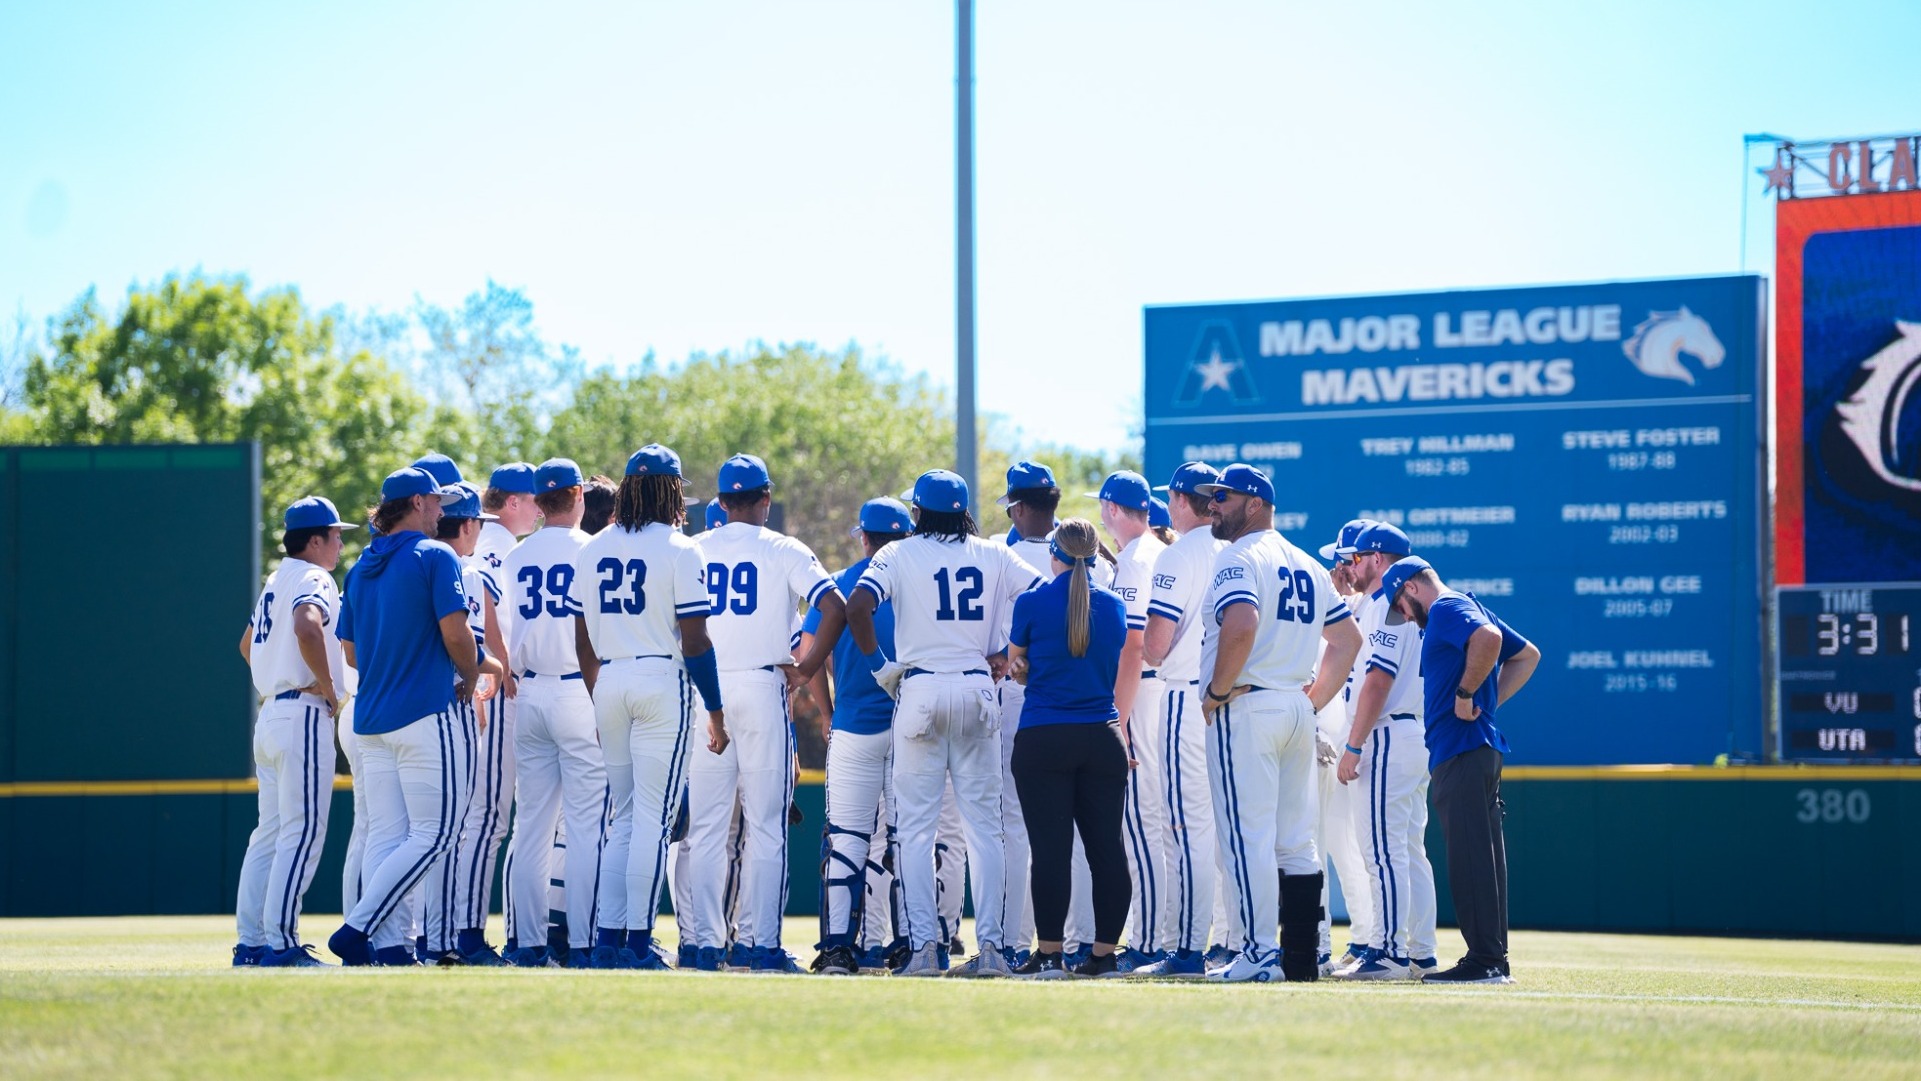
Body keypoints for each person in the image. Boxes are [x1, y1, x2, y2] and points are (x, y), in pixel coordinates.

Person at [846, 469, 1041, 978]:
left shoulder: (897, 553)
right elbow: (1045, 596)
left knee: (914, 832)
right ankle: (993, 949)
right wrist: (1009, 652)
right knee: (985, 832)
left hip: (921, 688)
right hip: (978, 687)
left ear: (917, 512)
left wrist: (881, 667)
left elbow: (858, 606)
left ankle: (925, 950)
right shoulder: (994, 553)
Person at [1196, 463, 1361, 983]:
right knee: (1296, 841)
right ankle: (1301, 959)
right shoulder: (1307, 563)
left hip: (1247, 706)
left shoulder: (1239, 556)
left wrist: (1217, 690)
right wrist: (1312, 702)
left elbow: (1241, 623)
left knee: (1247, 837)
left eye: (1223, 497)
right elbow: (1347, 641)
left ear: (1255, 504)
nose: (1213, 505)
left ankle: (1261, 954)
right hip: (1294, 707)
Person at [686, 453, 846, 973]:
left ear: (720, 501)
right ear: (766, 499)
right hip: (761, 684)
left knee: (708, 828)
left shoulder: (694, 547)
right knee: (766, 827)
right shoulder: (783, 548)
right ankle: (761, 945)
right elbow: (835, 605)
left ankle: (704, 944)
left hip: (706, 690)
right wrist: (809, 668)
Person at [573, 442, 730, 970]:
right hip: (661, 677)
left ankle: (607, 940)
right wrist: (715, 710)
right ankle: (637, 944)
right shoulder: (682, 549)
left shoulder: (592, 547)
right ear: (672, 491)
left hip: (609, 679)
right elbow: (696, 642)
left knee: (622, 817)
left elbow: (582, 639)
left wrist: (599, 696)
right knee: (652, 820)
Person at [328, 467, 476, 967]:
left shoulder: (360, 566)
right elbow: (456, 633)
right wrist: (470, 673)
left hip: (371, 718)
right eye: (436, 502)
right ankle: (358, 929)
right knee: (437, 833)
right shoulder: (435, 555)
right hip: (423, 714)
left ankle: (390, 947)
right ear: (416, 502)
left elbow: (351, 653)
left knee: (387, 836)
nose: (441, 511)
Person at [1380, 556, 1540, 984]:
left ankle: (1484, 960)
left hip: (1462, 750)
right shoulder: (1467, 606)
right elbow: (1526, 657)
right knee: (1483, 859)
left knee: (1469, 858)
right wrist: (1484, 703)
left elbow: (1490, 640)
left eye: (1401, 606)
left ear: (1411, 587)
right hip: (1476, 748)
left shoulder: (1447, 608)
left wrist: (1469, 694)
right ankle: (1493, 959)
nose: (1406, 618)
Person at [1006, 519, 1133, 979]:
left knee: (1050, 852)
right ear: (1096, 558)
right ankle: (1103, 955)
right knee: (1108, 852)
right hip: (1102, 737)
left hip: (1044, 737)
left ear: (1053, 555)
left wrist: (1026, 668)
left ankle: (1049, 954)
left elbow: (1017, 661)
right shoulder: (1115, 606)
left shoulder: (1032, 602)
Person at [234, 496, 353, 967]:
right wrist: (327, 687)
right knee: (301, 832)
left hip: (270, 715)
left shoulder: (276, 579)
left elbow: (247, 645)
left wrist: (276, 673)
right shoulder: (313, 577)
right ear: (315, 539)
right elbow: (307, 626)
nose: (340, 544)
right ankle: (281, 944)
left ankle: (251, 943)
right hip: (301, 712)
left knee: (269, 833)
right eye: (336, 535)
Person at [501, 459, 608, 968]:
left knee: (531, 828)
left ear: (539, 502)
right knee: (585, 827)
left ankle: (527, 943)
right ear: (579, 494)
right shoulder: (593, 549)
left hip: (530, 692)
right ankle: (582, 943)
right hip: (579, 690)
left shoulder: (516, 555)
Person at [807, 496, 913, 975]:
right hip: (910, 728)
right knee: (908, 841)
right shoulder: (918, 582)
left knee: (847, 841)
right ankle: (914, 945)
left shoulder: (840, 584)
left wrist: (827, 713)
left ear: (864, 538)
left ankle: (837, 950)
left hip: (853, 727)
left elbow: (809, 655)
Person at [1330, 522, 1438, 980]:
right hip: (1412, 731)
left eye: (1355, 558)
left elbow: (1378, 681)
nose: (1349, 566)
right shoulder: (1396, 604)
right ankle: (1420, 952)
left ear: (1377, 559)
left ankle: (1389, 951)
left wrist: (1353, 745)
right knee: (1409, 851)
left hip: (1388, 734)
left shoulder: (1385, 606)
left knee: (1383, 852)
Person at [1130, 462, 1225, 979]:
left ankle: (1186, 948)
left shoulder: (1178, 554)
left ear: (1184, 501)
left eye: (1172, 498)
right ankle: (1234, 943)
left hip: (1186, 694)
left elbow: (1155, 645)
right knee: (1231, 828)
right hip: (1234, 699)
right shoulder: (1237, 549)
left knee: (1185, 827)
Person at [420, 481, 512, 966]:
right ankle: (447, 939)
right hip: (450, 706)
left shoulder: (409, 563)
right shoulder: (465, 571)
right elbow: (467, 647)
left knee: (409, 831)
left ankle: (411, 936)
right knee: (452, 828)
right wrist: (487, 674)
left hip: (399, 708)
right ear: (470, 525)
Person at [1092, 469, 1168, 972]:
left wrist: (1117, 721)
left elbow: (1134, 647)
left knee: (1143, 825)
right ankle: (1172, 936)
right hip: (1173, 693)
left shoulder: (1137, 559)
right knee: (1171, 825)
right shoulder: (1163, 552)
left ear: (1113, 509)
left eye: (1104, 507)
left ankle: (1150, 940)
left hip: (1146, 691)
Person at [476, 461, 541, 955]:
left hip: (482, 683)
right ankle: (464, 933)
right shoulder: (497, 544)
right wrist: (502, 665)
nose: (540, 509)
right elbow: (486, 606)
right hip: (496, 686)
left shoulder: (487, 540)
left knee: (479, 818)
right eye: (534, 500)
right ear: (513, 501)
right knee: (488, 819)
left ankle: (448, 931)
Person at [1314, 518, 1381, 975]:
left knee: (1351, 842)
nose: (1336, 571)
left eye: (1340, 563)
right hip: (1337, 730)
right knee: (1336, 840)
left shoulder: (1364, 606)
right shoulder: (1344, 604)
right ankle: (1363, 937)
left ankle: (1372, 939)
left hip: (1350, 733)